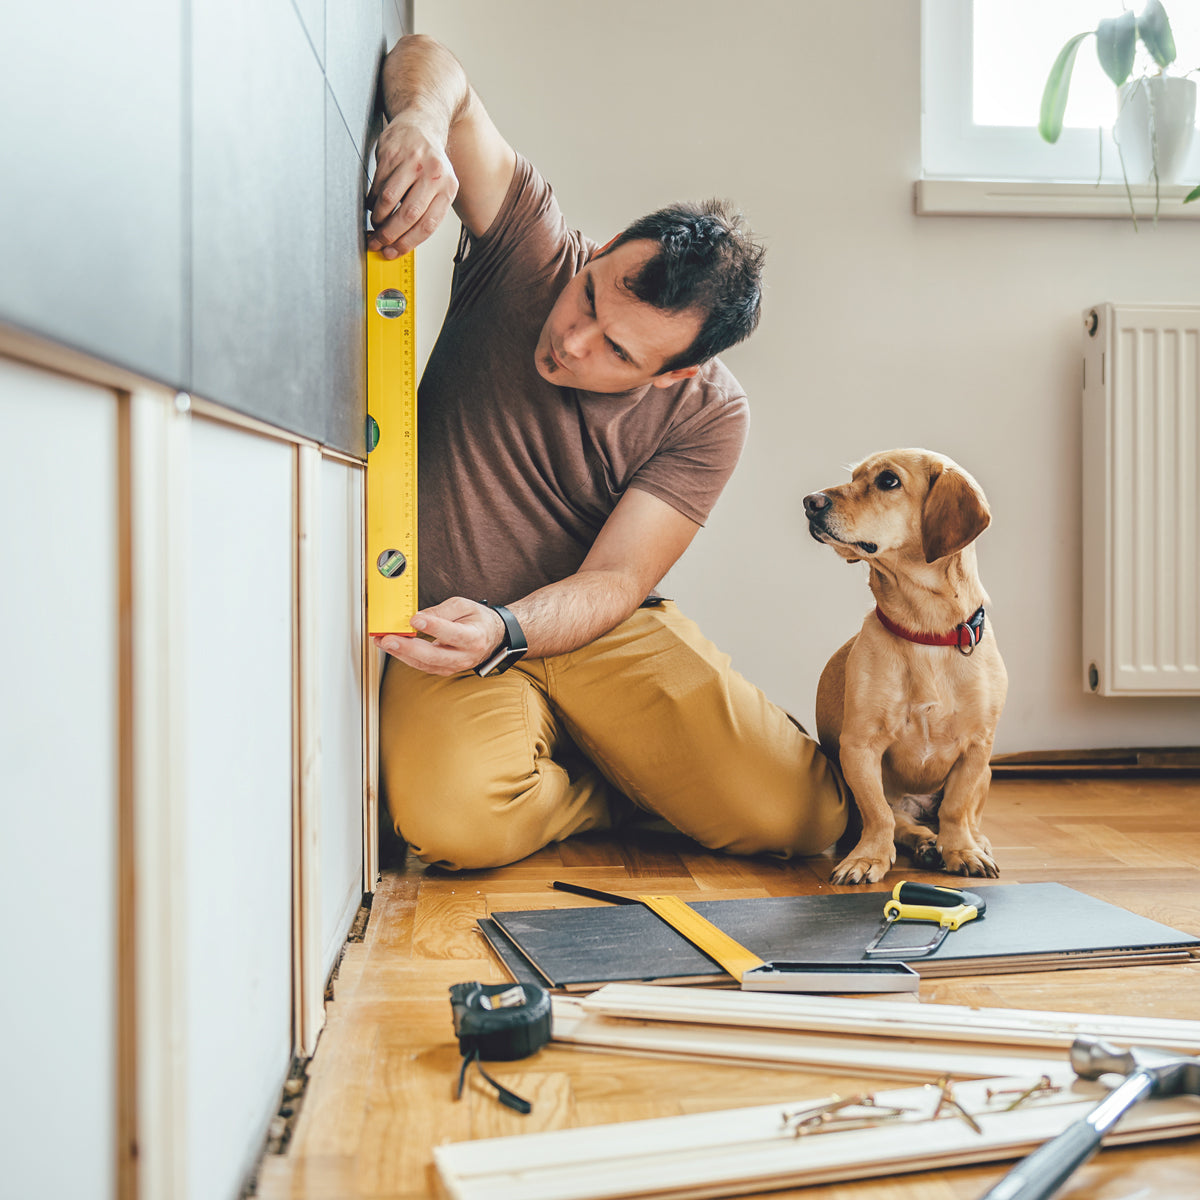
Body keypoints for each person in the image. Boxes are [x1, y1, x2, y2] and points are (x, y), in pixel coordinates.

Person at [366, 34, 846, 870]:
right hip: (443, 625)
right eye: (591, 294)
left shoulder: (710, 414)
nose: (572, 341)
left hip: (587, 625)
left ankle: (630, 765)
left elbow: (619, 579)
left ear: (674, 375)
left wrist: (513, 627)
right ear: (601, 252)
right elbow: (432, 62)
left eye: (619, 353)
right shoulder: (531, 250)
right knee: (453, 826)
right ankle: (614, 786)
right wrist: (420, 117)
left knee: (803, 820)